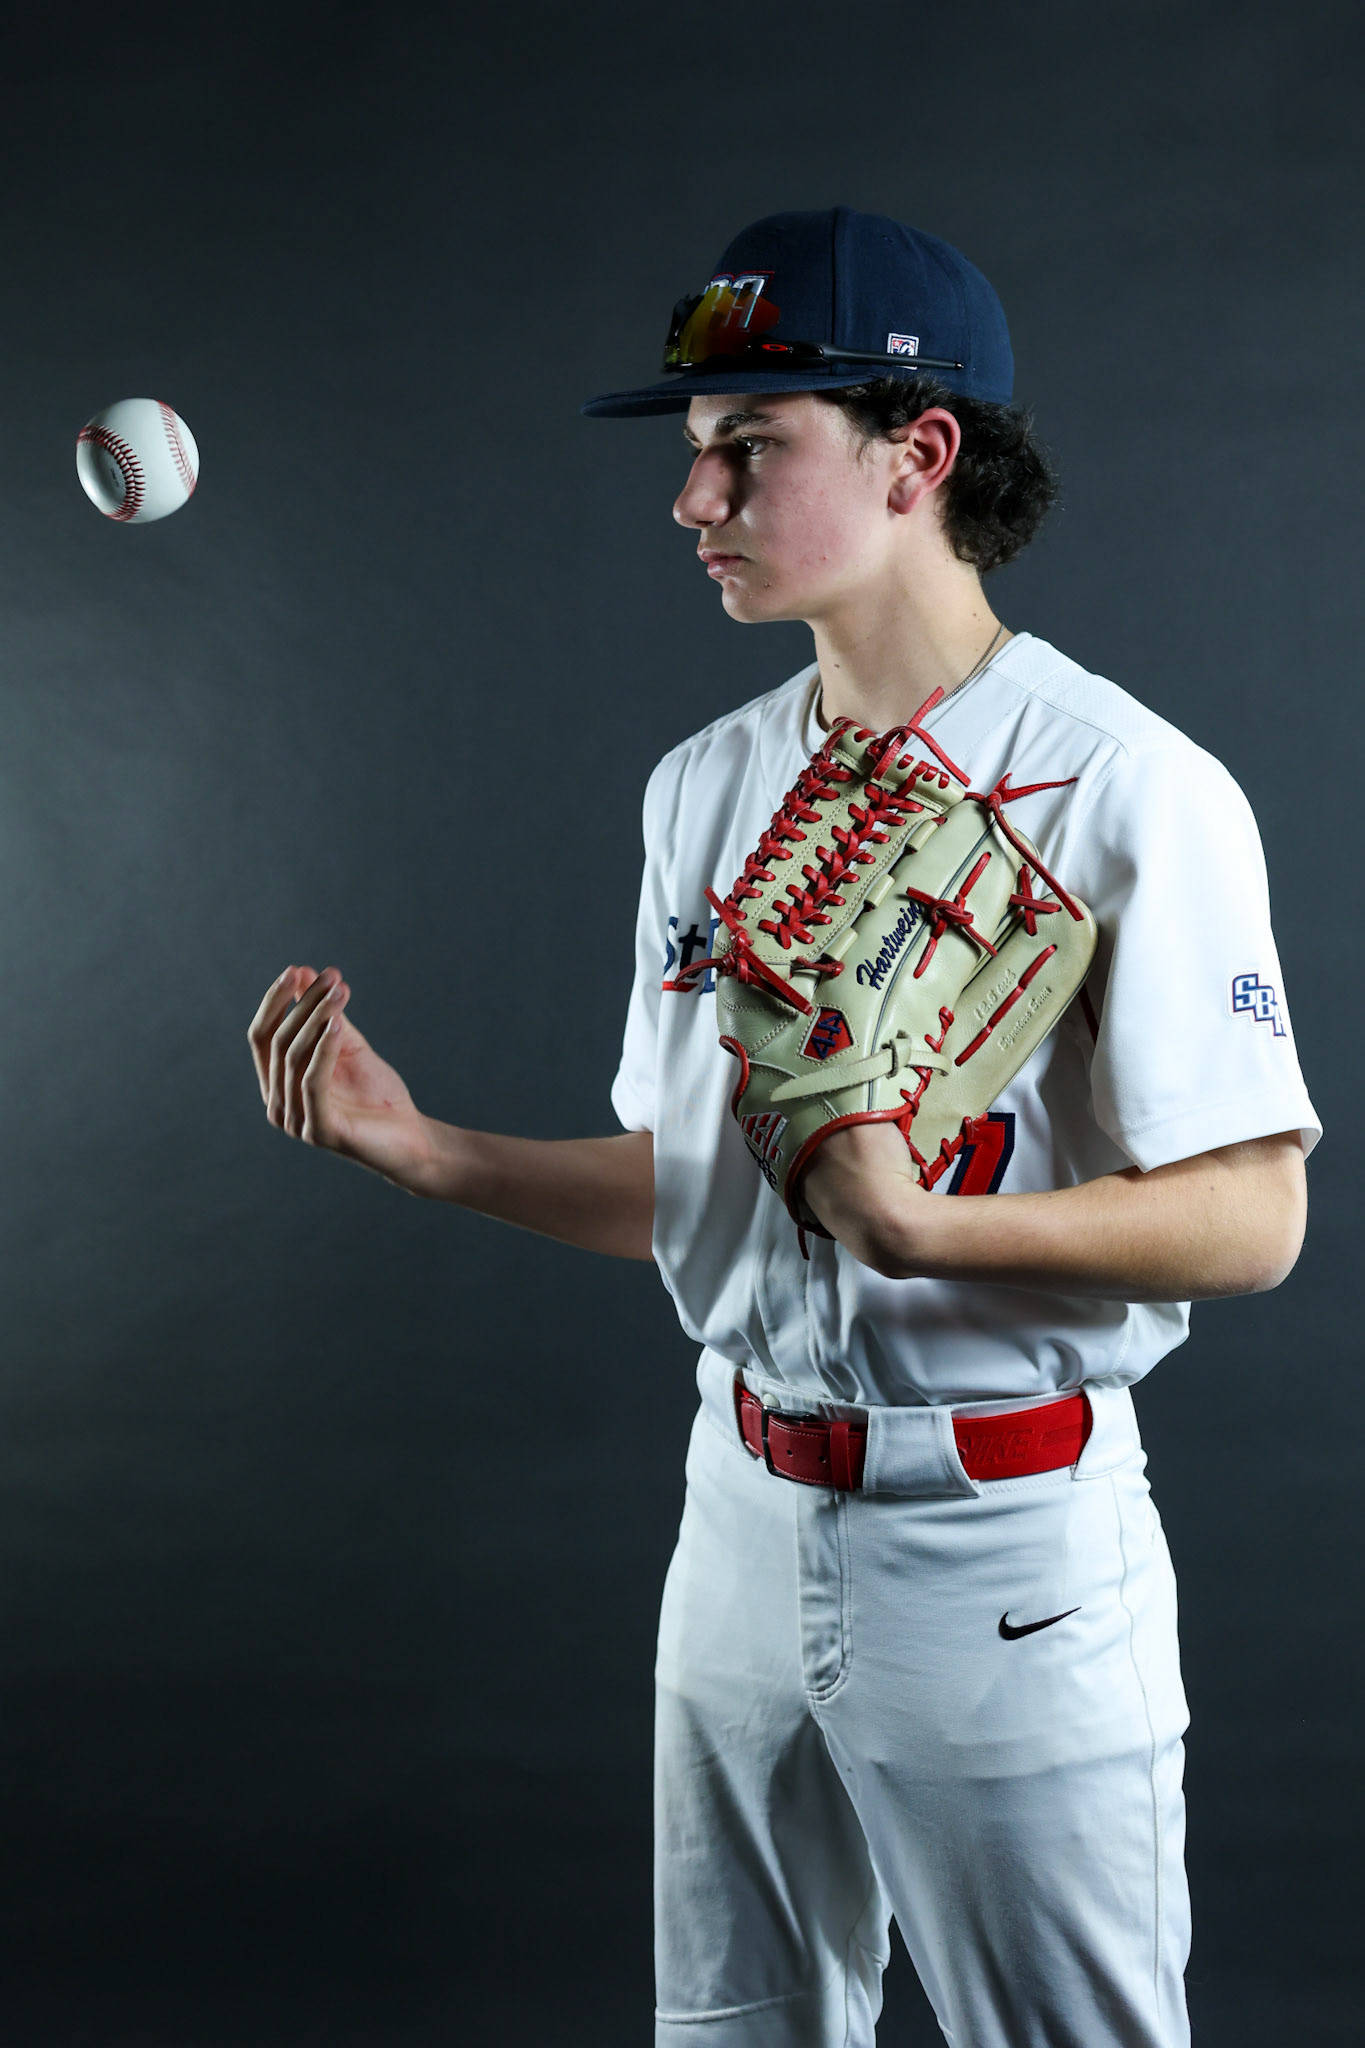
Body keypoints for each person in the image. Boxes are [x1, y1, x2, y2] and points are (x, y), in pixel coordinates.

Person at [247, 207, 1320, 2046]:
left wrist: (936, 1230)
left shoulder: (1130, 784)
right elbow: (700, 1197)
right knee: (734, 2034)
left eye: (749, 445)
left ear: (920, 454)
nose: (695, 497)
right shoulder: (706, 786)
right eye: (693, 452)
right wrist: (423, 1149)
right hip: (735, 1520)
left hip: (1006, 1550)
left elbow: (1252, 1219)